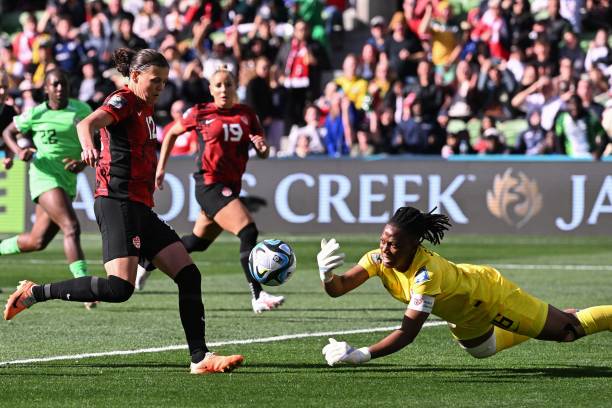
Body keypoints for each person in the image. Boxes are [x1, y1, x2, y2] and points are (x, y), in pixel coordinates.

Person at [2, 48, 243, 375]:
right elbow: (88, 123)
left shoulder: (146, 106)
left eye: (164, 81)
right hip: (117, 203)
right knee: (119, 289)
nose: (160, 86)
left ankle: (199, 358)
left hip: (140, 206)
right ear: (134, 77)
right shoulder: (125, 99)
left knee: (189, 275)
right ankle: (34, 293)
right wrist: (88, 145)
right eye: (154, 80)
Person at [317, 206, 612, 366]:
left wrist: (363, 354)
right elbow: (339, 288)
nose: (385, 249)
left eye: (394, 245)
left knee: (567, 332)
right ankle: (545, 318)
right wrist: (327, 275)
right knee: (483, 350)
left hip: (489, 297)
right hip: (463, 315)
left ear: (414, 245)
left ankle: (568, 318)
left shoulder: (426, 274)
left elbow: (407, 334)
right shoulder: (377, 259)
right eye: (383, 240)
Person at [140, 65, 285, 314]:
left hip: (230, 186)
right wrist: (160, 167)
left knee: (197, 242)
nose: (223, 89)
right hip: (209, 184)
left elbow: (263, 152)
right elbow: (172, 133)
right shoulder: (201, 112)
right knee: (248, 231)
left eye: (228, 84)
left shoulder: (247, 114)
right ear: (210, 89)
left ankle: (148, 259)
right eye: (218, 85)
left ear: (234, 87)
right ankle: (257, 295)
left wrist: (262, 147)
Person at [1, 68, 96, 310]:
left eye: (63, 84)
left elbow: (96, 143)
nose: (59, 88)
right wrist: (20, 150)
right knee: (71, 227)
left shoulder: (82, 110)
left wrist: (83, 162)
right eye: (54, 85)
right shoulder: (36, 113)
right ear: (46, 88)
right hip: (44, 176)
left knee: (37, 241)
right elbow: (8, 131)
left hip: (67, 179)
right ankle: (83, 287)